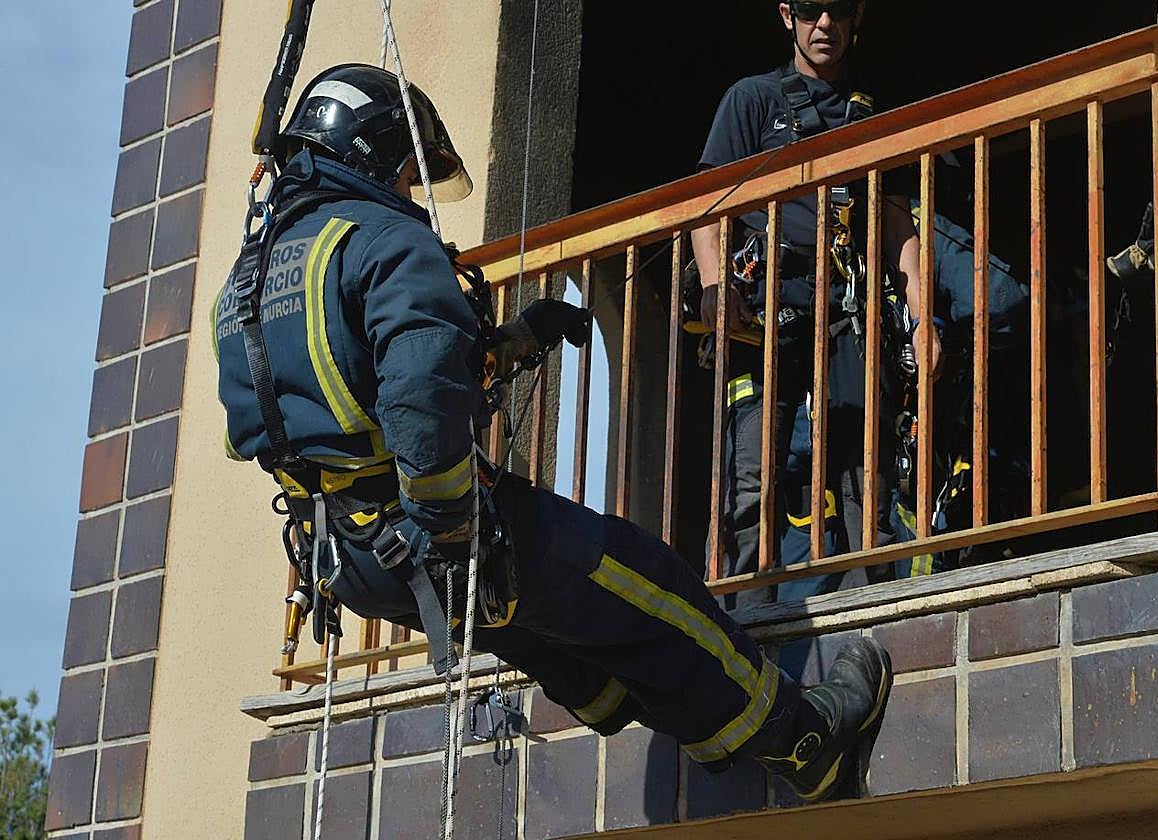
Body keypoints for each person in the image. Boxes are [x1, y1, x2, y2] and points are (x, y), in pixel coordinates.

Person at [214, 63, 894, 802]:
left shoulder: (249, 281)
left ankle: (641, 705)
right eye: (410, 174)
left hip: (347, 560)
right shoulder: (383, 240)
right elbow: (417, 393)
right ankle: (805, 742)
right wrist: (454, 528)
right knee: (649, 584)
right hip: (431, 532)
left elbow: (332, 398)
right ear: (373, 153)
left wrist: (513, 341)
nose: (411, 194)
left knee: (543, 625)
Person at [691, 0, 940, 604]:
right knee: (752, 470)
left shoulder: (871, 114)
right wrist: (717, 289)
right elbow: (706, 204)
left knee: (864, 464)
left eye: (838, 10)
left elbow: (896, 223)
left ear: (857, 19)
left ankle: (869, 604)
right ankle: (742, 613)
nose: (823, 23)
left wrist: (921, 316)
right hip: (766, 308)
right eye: (809, 9)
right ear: (787, 15)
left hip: (847, 307)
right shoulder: (752, 100)